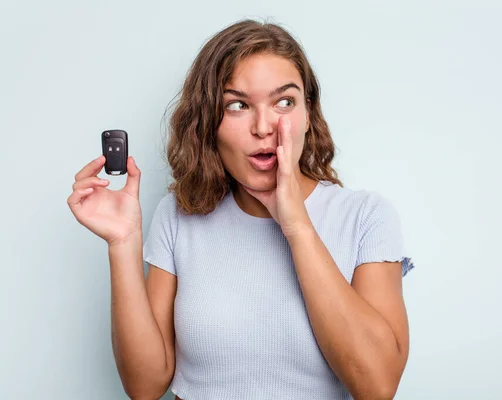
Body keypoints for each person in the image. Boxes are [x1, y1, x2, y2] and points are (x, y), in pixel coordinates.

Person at [67, 18, 414, 400]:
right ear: (207, 123)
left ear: (308, 114)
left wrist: (296, 224)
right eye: (237, 105)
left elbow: (377, 386)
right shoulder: (178, 216)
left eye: (284, 101)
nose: (264, 126)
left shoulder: (365, 217)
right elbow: (145, 387)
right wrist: (123, 244)